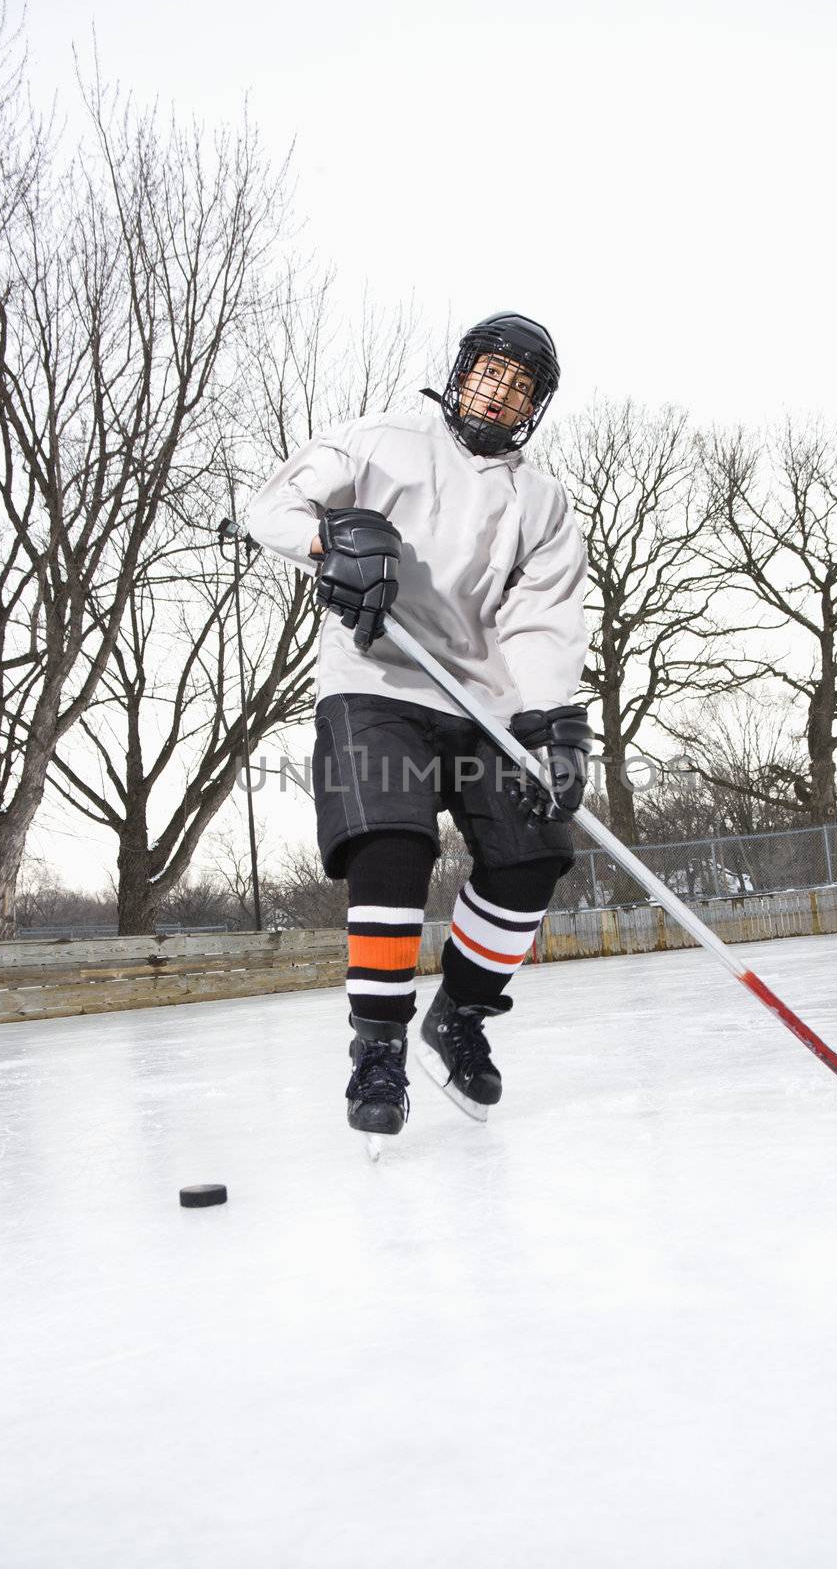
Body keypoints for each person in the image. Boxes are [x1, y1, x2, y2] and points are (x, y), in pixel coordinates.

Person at [247, 312, 591, 1139]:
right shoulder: (376, 440)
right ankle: (378, 1049)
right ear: (461, 371)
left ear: (533, 407)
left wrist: (553, 722)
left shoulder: (541, 502)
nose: (499, 394)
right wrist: (331, 547)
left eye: (520, 387)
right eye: (489, 374)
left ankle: (460, 1015)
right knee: (392, 847)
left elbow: (542, 617)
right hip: (375, 680)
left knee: (530, 859)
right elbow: (270, 508)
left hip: (485, 701)